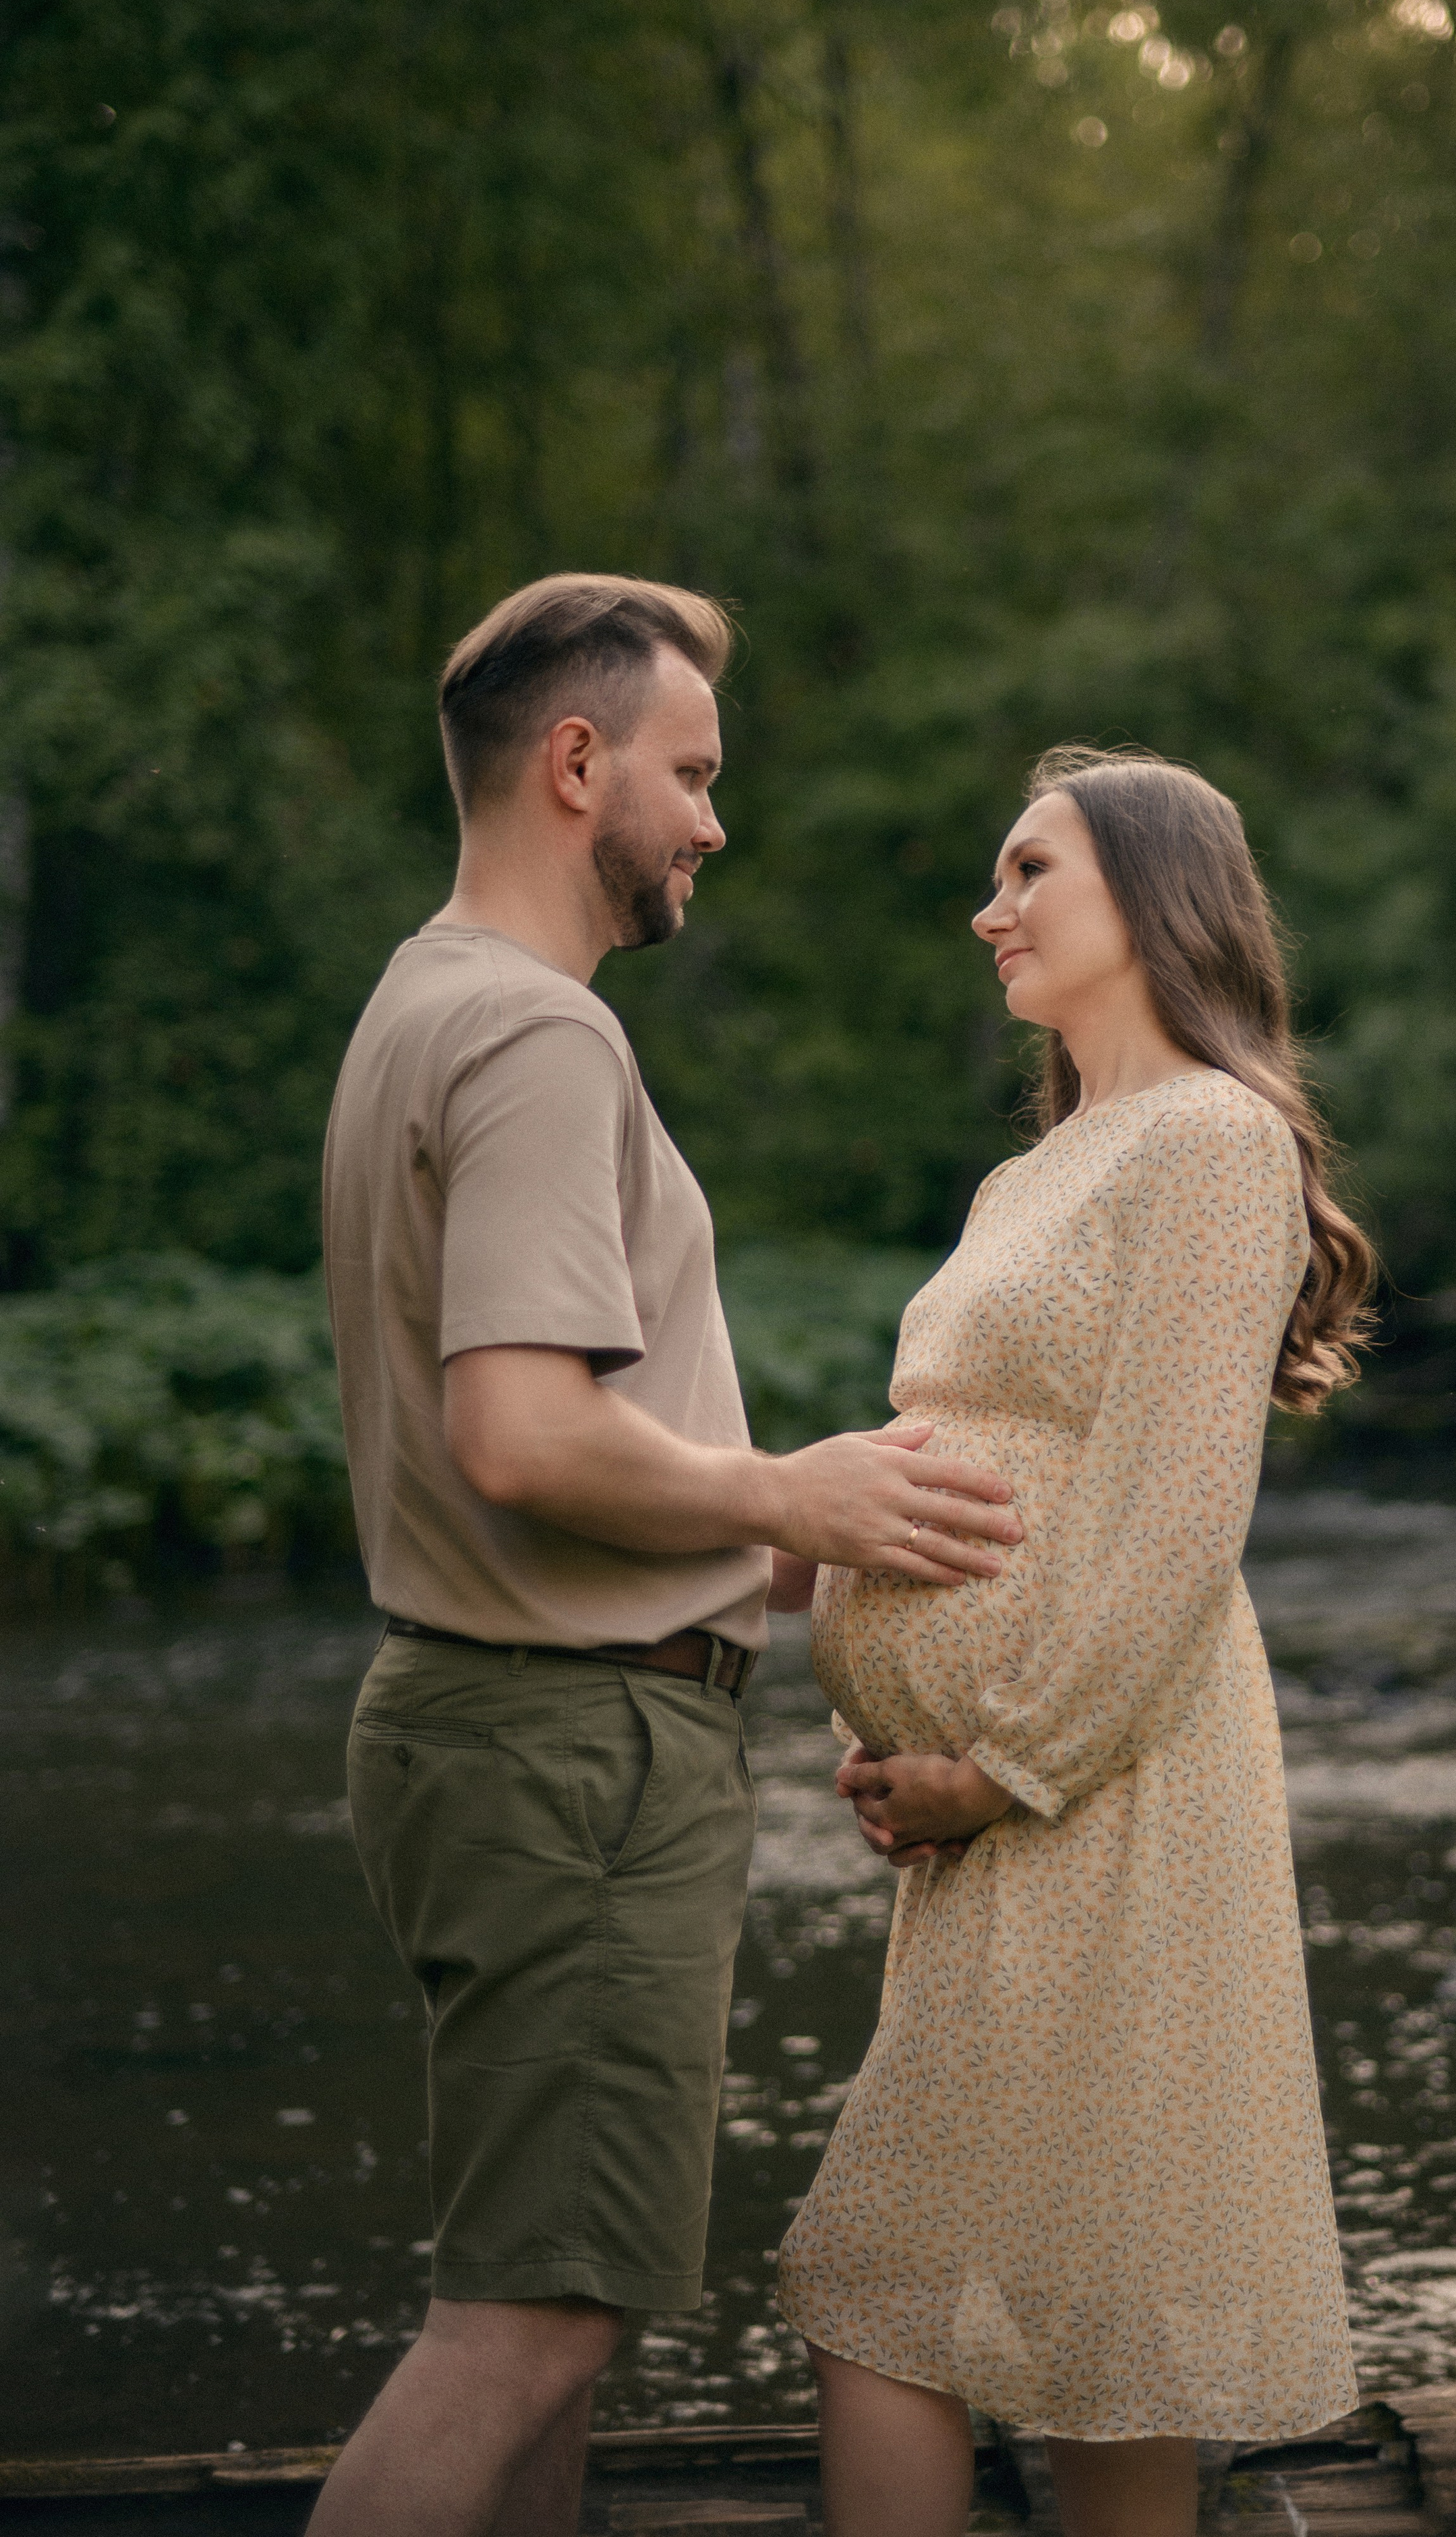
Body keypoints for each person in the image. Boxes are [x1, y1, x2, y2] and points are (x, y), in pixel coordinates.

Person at [310, 573, 1023, 2537]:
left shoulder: (416, 1001)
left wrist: (804, 1542)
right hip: (573, 1751)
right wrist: (789, 1495)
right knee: (524, 2330)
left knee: (555, 2316)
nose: (712, 818)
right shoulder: (540, 1040)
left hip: (504, 1724)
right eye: (690, 773)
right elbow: (521, 1435)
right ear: (574, 764)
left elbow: (525, 1462)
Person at [776, 746, 1376, 2537]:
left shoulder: (1212, 1135)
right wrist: (879, 1725)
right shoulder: (1029, 1174)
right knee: (1078, 2300)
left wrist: (1004, 1758)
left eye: (1031, 870)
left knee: (908, 2290)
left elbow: (1181, 1508)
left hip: (1103, 1781)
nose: (993, 909)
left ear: (1155, 892)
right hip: (980, 1811)